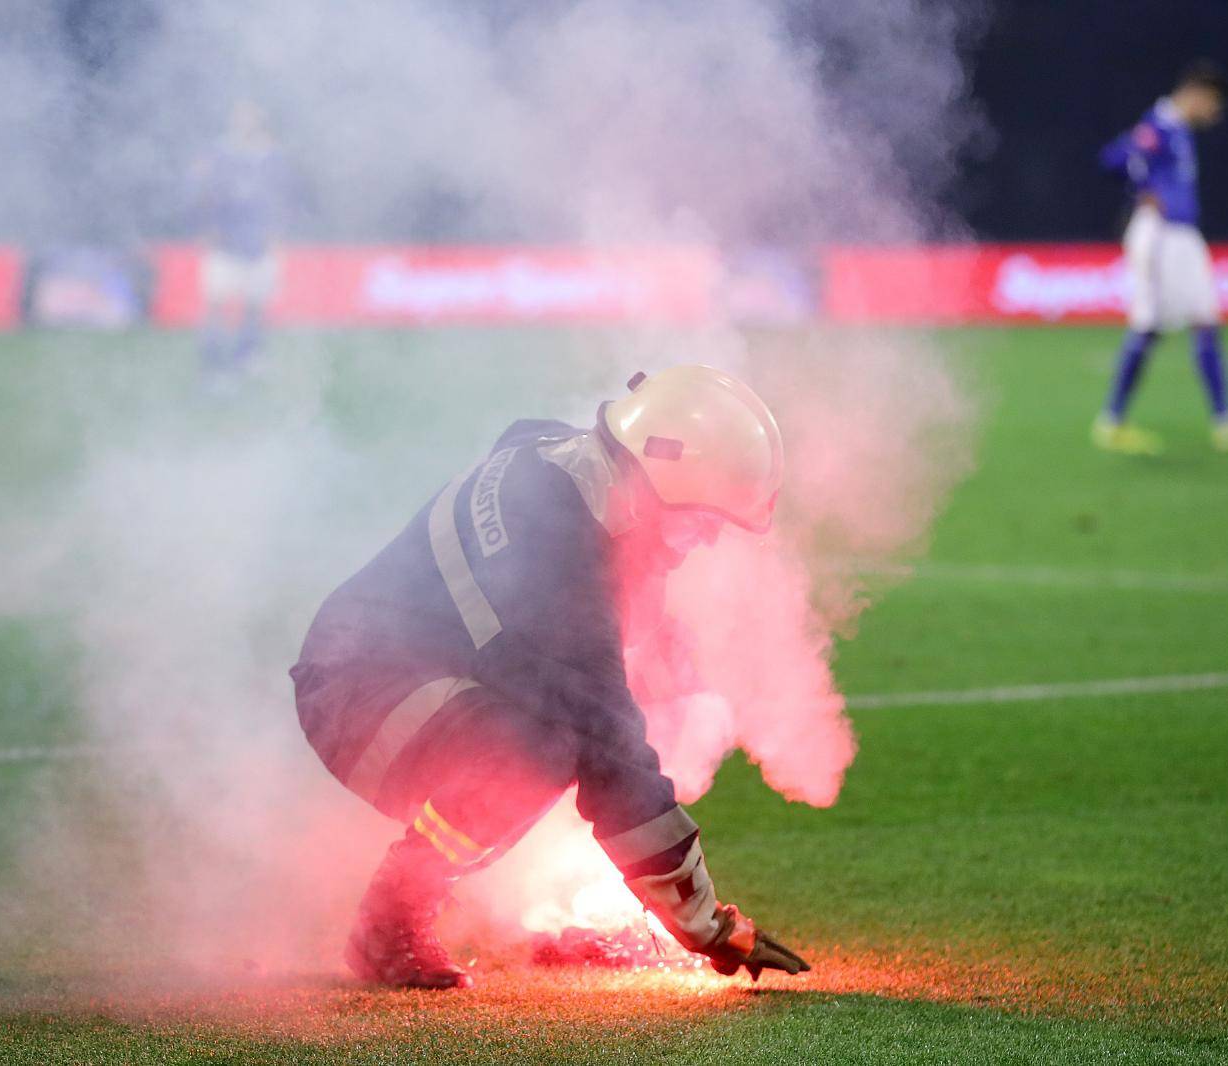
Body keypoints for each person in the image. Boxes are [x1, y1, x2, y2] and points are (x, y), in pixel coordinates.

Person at [290, 365, 812, 989]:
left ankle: (561, 904)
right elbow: (608, 744)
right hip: (354, 690)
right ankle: (390, 917)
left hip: (405, 666)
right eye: (703, 521)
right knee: (538, 752)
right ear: (663, 476)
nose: (704, 542)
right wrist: (708, 926)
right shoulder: (555, 556)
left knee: (612, 695)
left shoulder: (566, 465)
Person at [1093, 61, 1228, 455]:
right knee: (1149, 325)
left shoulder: (1176, 129)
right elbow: (1112, 159)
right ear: (1197, 92)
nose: (1215, 114)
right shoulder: (1158, 125)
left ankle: (1226, 424)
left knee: (1207, 321)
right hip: (1161, 234)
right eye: (1214, 104)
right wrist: (1143, 187)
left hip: (1183, 237)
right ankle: (1111, 422)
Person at [189, 100, 294, 385]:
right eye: (241, 116)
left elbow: (282, 197)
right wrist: (207, 227)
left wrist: (277, 233)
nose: (246, 121)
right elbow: (204, 193)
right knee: (216, 304)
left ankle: (247, 356)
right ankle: (213, 365)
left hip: (258, 243)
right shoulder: (219, 153)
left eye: (251, 116)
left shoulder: (271, 156)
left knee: (255, 304)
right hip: (225, 242)